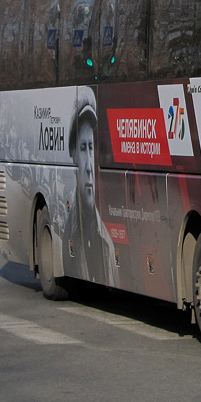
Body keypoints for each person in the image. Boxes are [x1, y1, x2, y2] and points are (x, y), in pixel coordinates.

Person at [66, 88, 118, 285]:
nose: (89, 166)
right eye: (82, 148)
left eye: (91, 148)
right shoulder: (64, 236)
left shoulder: (107, 243)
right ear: (73, 154)